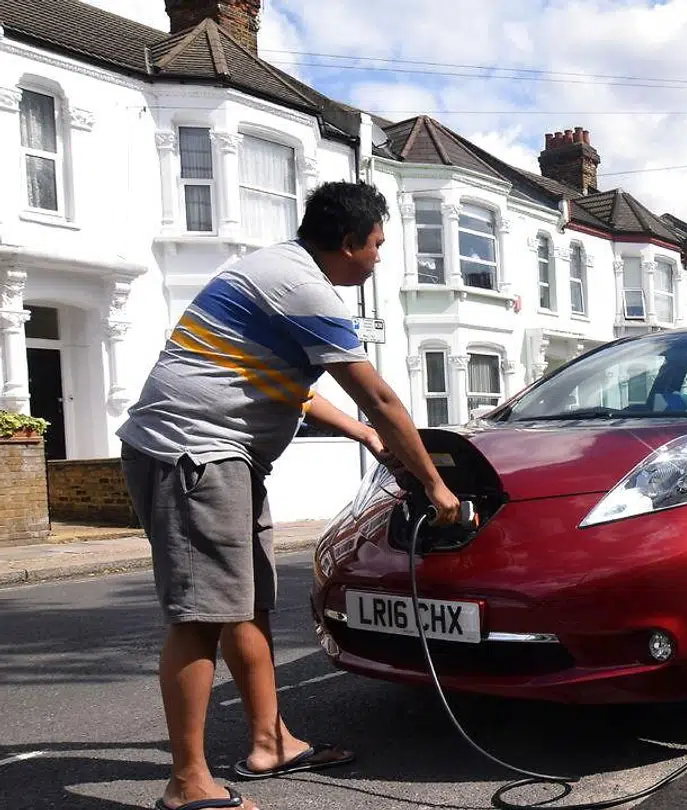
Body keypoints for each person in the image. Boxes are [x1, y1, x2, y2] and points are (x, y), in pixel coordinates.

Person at [117, 180, 460, 810]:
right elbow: (379, 396)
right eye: (377, 244)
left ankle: (271, 741)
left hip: (225, 457)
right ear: (349, 241)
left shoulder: (279, 273)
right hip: (192, 453)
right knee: (202, 616)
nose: (379, 258)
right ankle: (188, 784)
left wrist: (362, 436)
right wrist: (437, 488)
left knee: (246, 605)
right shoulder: (304, 287)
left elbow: (290, 387)